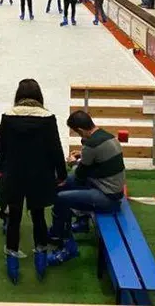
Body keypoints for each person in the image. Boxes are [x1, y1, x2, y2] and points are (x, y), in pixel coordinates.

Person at [0, 79, 67, 284]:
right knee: (38, 216)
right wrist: (61, 174)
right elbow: (55, 149)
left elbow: (2, 147)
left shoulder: (8, 117)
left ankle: (12, 260)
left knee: (14, 216)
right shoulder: (48, 118)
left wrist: (1, 166)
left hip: (15, 174)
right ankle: (41, 257)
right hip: (40, 175)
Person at [48, 110, 125, 265]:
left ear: (81, 131)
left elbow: (80, 175)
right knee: (65, 183)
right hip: (109, 188)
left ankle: (68, 248)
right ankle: (73, 225)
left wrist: (73, 162)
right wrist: (81, 158)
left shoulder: (91, 145)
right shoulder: (107, 136)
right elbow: (97, 163)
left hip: (108, 198)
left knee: (61, 199)